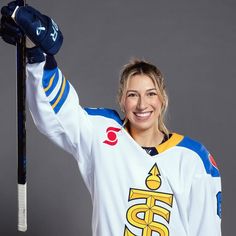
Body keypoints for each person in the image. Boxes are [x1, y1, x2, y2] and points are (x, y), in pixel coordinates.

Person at [0, 1, 222, 235]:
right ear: (122, 100)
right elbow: (57, 115)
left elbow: (206, 229)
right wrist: (38, 53)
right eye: (132, 95)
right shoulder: (103, 134)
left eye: (150, 94)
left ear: (162, 99)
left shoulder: (194, 159)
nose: (142, 104)